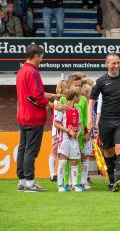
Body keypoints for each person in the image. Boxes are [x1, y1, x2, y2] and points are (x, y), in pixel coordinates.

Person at [87, 53, 120, 192]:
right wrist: (90, 119)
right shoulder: (101, 81)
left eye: (118, 63)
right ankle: (111, 181)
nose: (116, 65)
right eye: (113, 63)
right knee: (108, 152)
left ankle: (118, 179)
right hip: (106, 122)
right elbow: (91, 100)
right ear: (107, 64)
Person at [16, 44, 61, 192]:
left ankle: (22, 181)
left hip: (23, 116)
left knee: (23, 149)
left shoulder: (22, 71)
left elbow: (34, 94)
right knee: (31, 151)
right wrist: (53, 105)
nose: (42, 59)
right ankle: (30, 183)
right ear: (36, 56)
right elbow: (36, 96)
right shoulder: (32, 71)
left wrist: (53, 96)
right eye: (41, 56)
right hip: (34, 116)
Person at [54, 89, 83, 192]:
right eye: (79, 96)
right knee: (62, 162)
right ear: (74, 97)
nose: (80, 98)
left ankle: (74, 185)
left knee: (74, 161)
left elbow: (79, 124)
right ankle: (60, 185)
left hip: (74, 139)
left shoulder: (77, 110)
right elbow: (56, 123)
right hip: (65, 138)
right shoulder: (63, 108)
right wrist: (67, 130)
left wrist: (78, 131)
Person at [49, 79, 66, 182]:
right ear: (61, 88)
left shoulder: (68, 99)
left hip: (64, 128)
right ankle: (52, 174)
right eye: (66, 87)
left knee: (63, 151)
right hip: (57, 128)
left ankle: (62, 174)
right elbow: (56, 117)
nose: (68, 88)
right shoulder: (57, 101)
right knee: (54, 149)